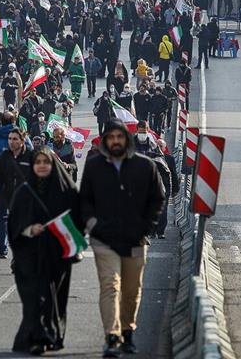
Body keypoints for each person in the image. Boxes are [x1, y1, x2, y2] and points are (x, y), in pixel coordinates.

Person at [80, 119, 166, 356]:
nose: (115, 141)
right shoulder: (94, 166)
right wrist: (93, 225)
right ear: (105, 140)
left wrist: (145, 227)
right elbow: (84, 200)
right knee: (110, 286)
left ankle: (128, 330)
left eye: (119, 137)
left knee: (132, 289)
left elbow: (157, 198)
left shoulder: (144, 166)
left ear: (126, 139)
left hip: (136, 241)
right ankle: (112, 335)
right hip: (103, 240)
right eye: (111, 138)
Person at [8, 147, 81, 355]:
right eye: (38, 162)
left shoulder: (67, 191)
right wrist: (30, 229)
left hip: (57, 255)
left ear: (52, 164)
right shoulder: (24, 191)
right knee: (35, 297)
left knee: (53, 298)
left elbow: (78, 219)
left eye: (46, 162)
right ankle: (37, 338)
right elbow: (14, 223)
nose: (41, 166)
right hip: (29, 255)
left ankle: (51, 334)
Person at [0, 127, 33, 259]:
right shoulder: (3, 157)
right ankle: (2, 248)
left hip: (24, 197)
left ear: (22, 141)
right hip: (5, 194)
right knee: (2, 220)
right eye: (9, 139)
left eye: (15, 139)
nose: (11, 142)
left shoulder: (31, 156)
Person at [155, 139, 179, 239]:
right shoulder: (150, 158)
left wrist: (175, 189)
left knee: (163, 210)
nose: (159, 148)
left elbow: (174, 174)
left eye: (161, 146)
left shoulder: (169, 159)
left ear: (164, 148)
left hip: (165, 189)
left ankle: (160, 232)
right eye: (157, 146)